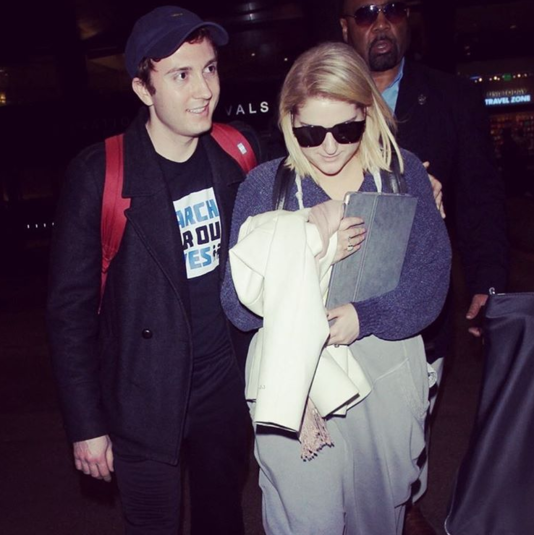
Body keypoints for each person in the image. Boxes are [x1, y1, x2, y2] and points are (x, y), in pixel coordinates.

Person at [221, 41, 451, 535]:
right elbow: (236, 306)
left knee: (378, 514)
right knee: (305, 519)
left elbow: (432, 279)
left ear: (368, 113)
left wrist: (365, 317)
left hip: (384, 364)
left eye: (346, 129)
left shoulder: (401, 174)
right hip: (294, 375)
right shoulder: (267, 187)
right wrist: (311, 239)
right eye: (311, 132)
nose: (329, 146)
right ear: (289, 122)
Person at [46, 6, 255, 534]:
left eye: (209, 69)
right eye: (181, 75)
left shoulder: (235, 152)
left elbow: (312, 167)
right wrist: (87, 424)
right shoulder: (101, 173)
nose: (204, 90)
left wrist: (405, 182)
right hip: (142, 395)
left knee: (223, 521)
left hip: (222, 389)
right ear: (143, 88)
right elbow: (69, 314)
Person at [340, 2, 508, 533]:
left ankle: (404, 501)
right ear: (344, 27)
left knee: (413, 410)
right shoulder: (325, 91)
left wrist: (487, 281)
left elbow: (479, 195)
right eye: (365, 13)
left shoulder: (453, 97)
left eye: (392, 9)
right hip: (341, 286)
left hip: (419, 293)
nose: (380, 23)